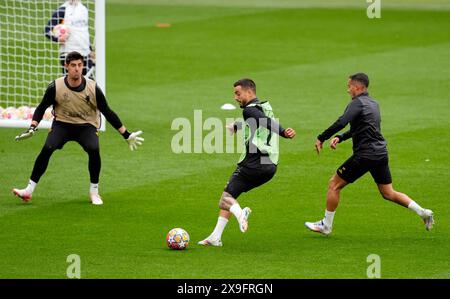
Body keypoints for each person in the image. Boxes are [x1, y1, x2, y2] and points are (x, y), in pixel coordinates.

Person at [305, 72, 434, 235]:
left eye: (349, 86)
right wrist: (340, 137)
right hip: (380, 153)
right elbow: (362, 128)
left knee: (334, 185)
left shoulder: (356, 103)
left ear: (358, 87)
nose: (348, 90)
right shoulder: (373, 103)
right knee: (388, 193)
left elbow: (342, 121)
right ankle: (423, 212)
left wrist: (321, 137)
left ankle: (326, 225)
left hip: (365, 155)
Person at [12, 51, 144, 205]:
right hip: (62, 124)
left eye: (80, 65)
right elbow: (41, 108)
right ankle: (28, 190)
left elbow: (107, 111)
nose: (77, 68)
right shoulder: (56, 86)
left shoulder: (93, 88)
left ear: (83, 67)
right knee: (48, 147)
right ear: (66, 66)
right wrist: (32, 127)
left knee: (93, 148)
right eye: (73, 65)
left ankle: (94, 192)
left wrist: (126, 134)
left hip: (86, 126)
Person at [198, 78, 296, 246]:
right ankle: (216, 236)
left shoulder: (250, 111)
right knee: (230, 192)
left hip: (253, 163)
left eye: (238, 93)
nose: (235, 98)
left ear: (249, 91)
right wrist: (237, 126)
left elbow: (262, 121)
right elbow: (257, 122)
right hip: (269, 165)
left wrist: (283, 132)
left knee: (224, 200)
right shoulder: (265, 106)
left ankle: (240, 214)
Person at [44, 0, 95, 76]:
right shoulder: (62, 10)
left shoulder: (84, 9)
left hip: (85, 54)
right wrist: (58, 39)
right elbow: (47, 30)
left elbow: (84, 33)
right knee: (71, 86)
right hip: (69, 54)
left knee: (89, 85)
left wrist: (90, 50)